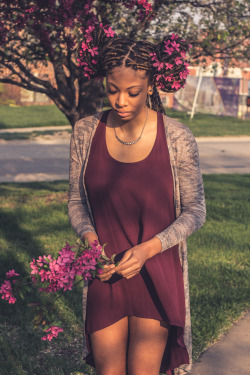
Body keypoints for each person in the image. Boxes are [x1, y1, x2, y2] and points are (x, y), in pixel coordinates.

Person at [68, 23, 206, 375]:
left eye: (133, 91)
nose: (121, 101)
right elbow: (76, 201)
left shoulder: (176, 137)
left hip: (156, 272)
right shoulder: (85, 132)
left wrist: (149, 249)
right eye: (113, 90)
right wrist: (89, 240)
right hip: (106, 272)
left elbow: (195, 211)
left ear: (151, 86)